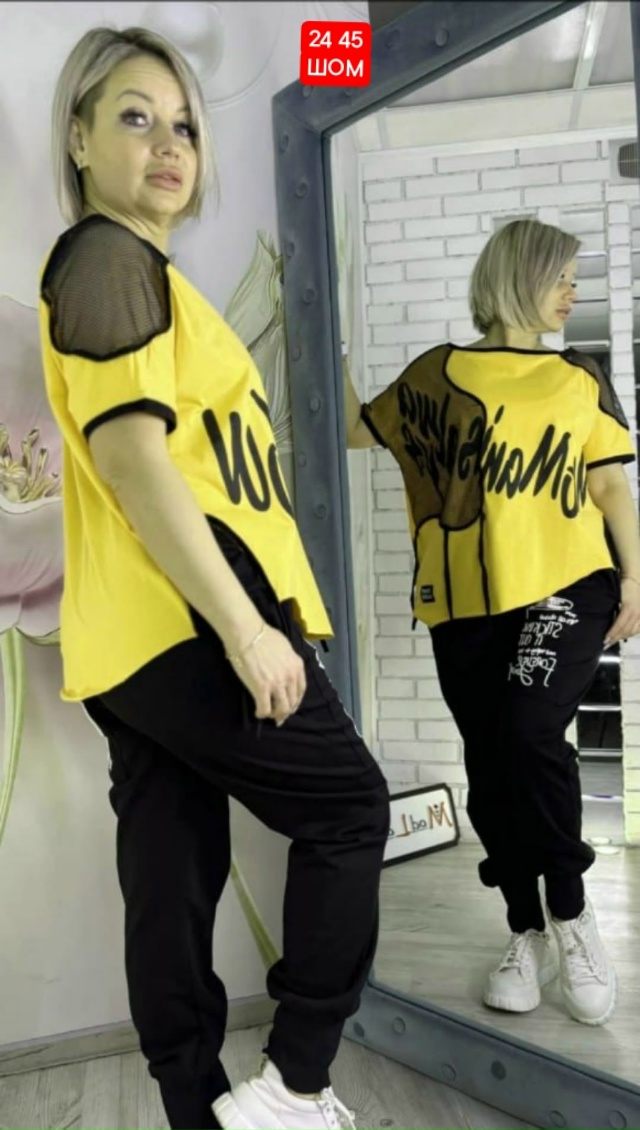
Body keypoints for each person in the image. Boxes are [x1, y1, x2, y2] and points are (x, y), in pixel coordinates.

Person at [39, 26, 390, 1130]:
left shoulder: (148, 279)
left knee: (171, 868)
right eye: (135, 117)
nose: (168, 144)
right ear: (78, 139)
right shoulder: (108, 259)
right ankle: (294, 1083)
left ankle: (200, 1110)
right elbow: (136, 460)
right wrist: (245, 626)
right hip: (191, 607)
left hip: (133, 631)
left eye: (185, 125)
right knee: (349, 809)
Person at [345, 218, 640, 1027]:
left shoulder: (579, 377)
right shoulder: (435, 375)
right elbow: (353, 427)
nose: (571, 293)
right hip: (465, 597)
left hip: (568, 584)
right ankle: (525, 930)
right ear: (518, 277)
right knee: (490, 759)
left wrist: (636, 576)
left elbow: (610, 486)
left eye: (574, 279)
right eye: (560, 277)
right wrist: (327, 332)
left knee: (530, 733)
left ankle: (570, 913)